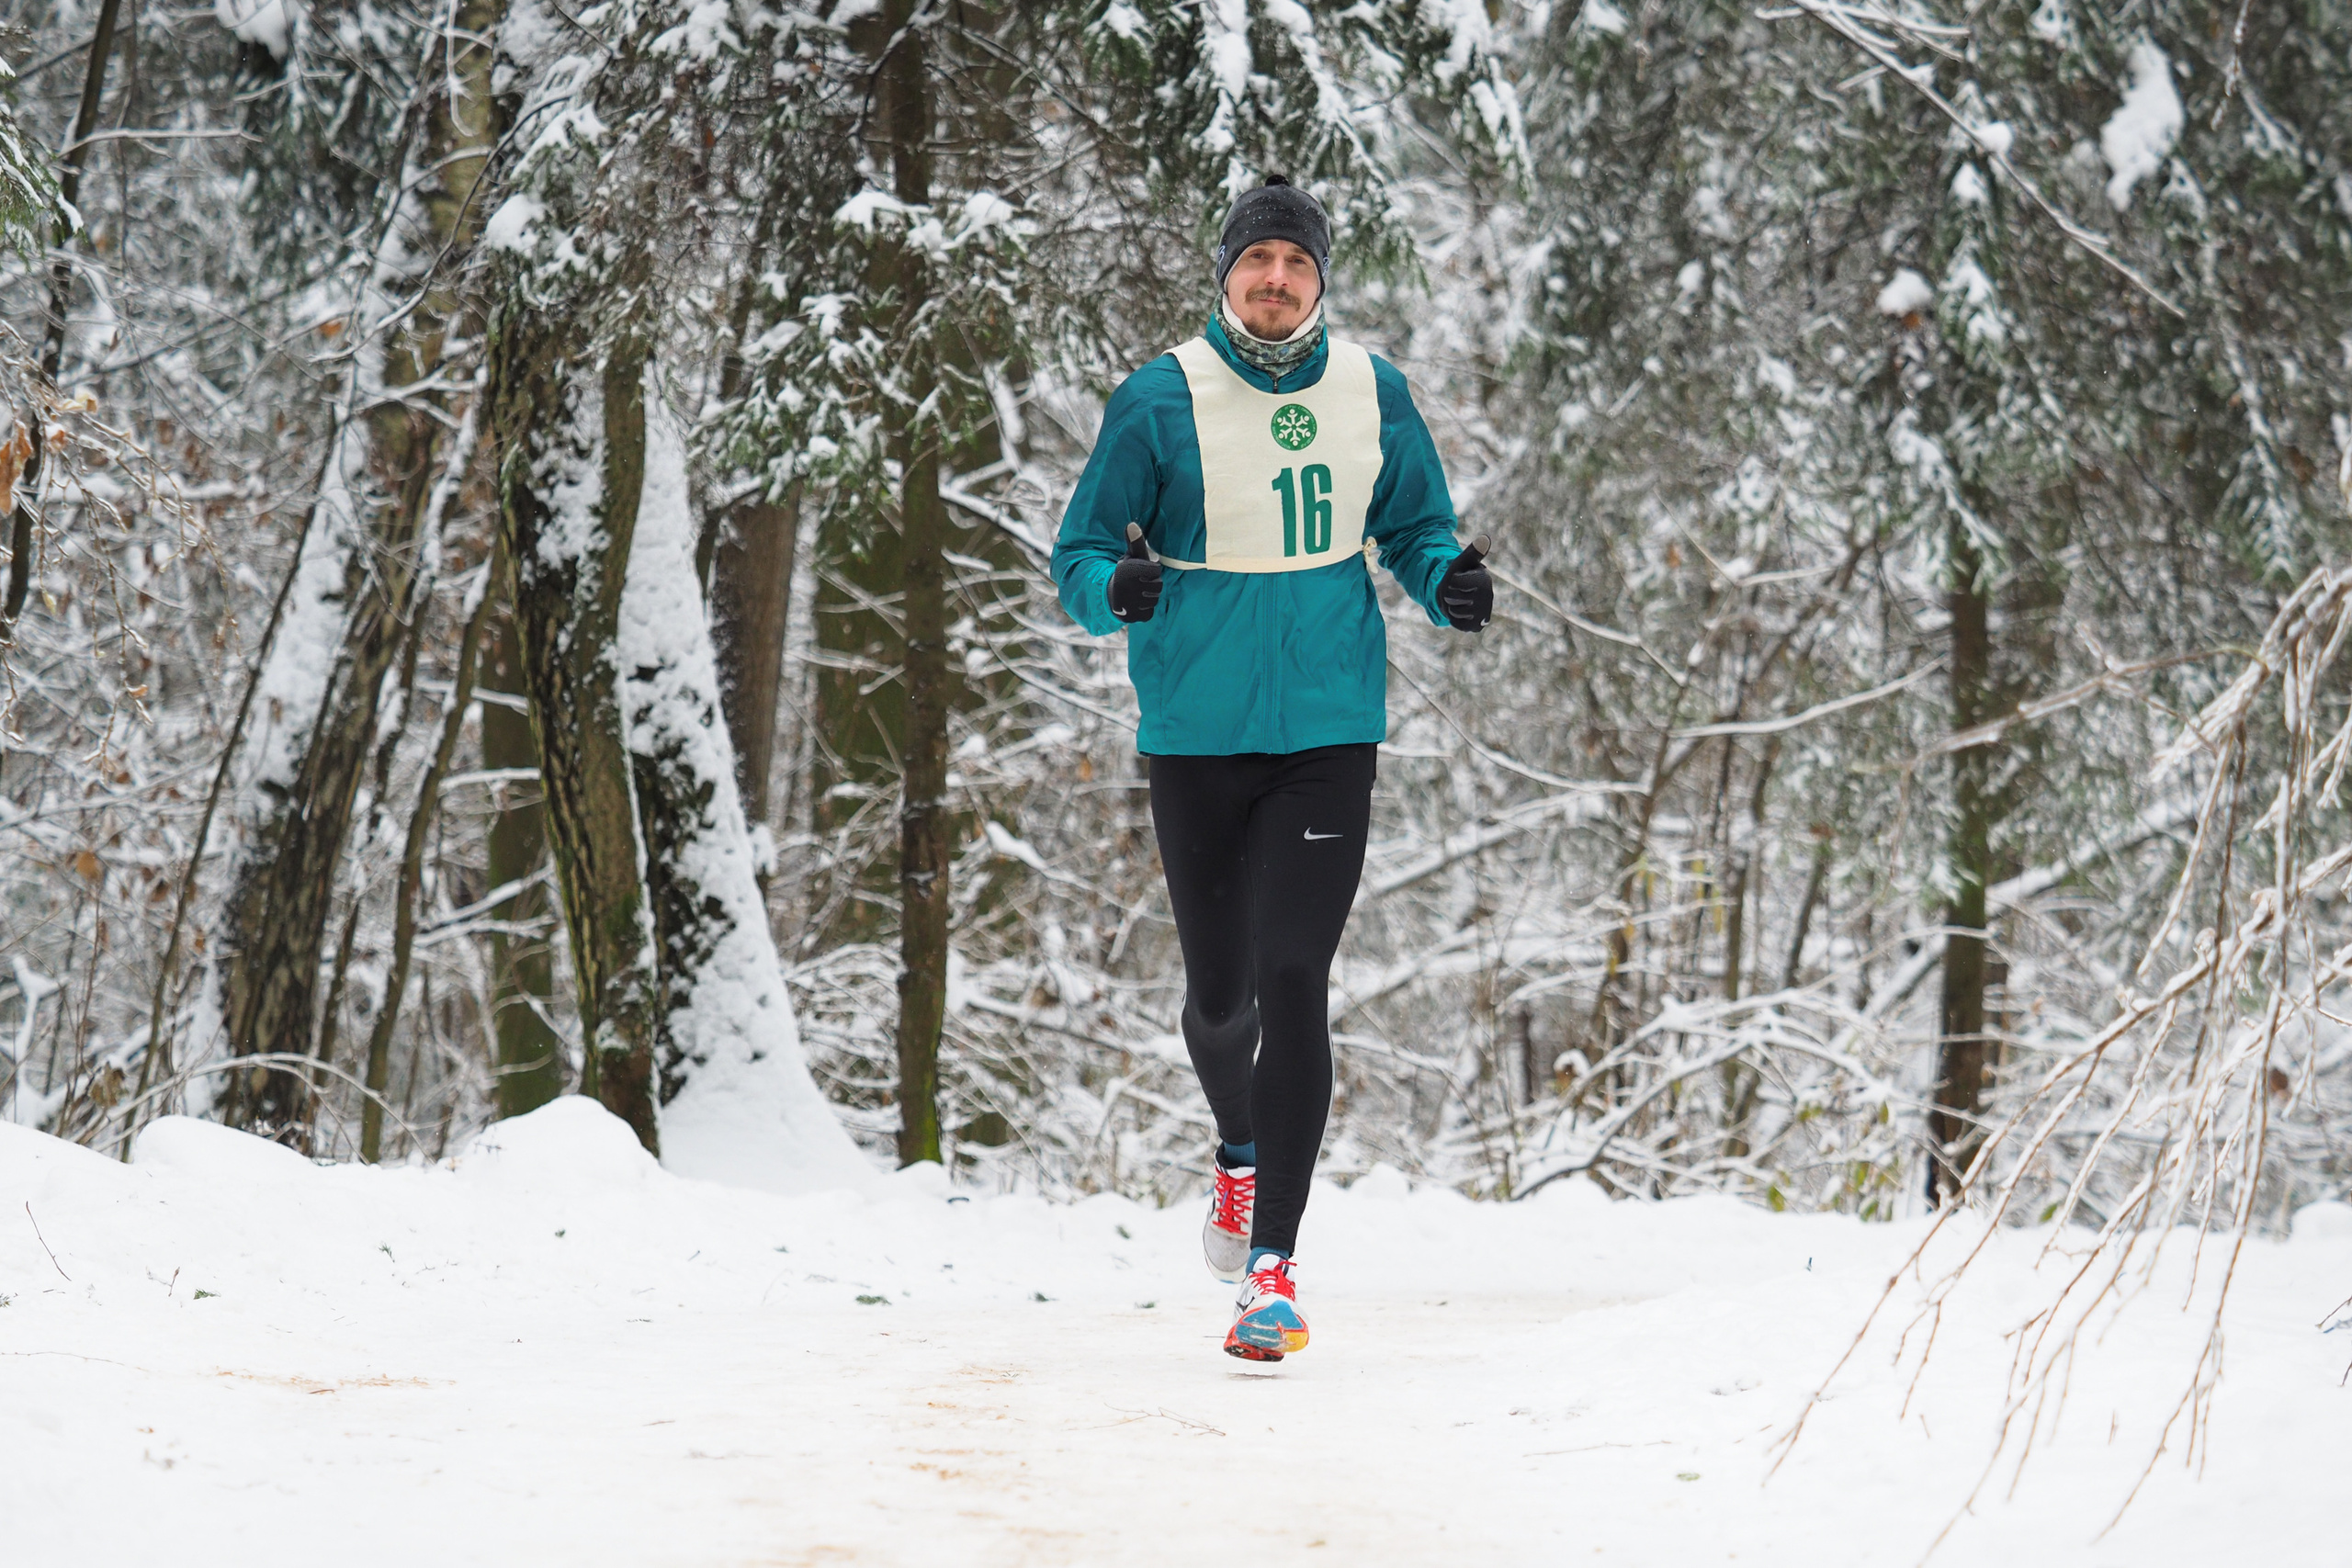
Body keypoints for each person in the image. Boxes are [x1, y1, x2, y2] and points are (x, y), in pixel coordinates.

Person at [1052, 175, 1492, 1360]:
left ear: (1320, 280)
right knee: (1219, 997)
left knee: (1296, 973)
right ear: (1226, 276)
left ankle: (1273, 1268)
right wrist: (1116, 591)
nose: (1278, 281)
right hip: (1196, 730)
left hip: (1327, 725)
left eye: (1297, 264)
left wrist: (1444, 580)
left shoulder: (1371, 392)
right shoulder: (1158, 401)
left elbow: (1413, 525)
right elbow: (1080, 552)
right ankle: (1236, 1153)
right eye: (1259, 263)